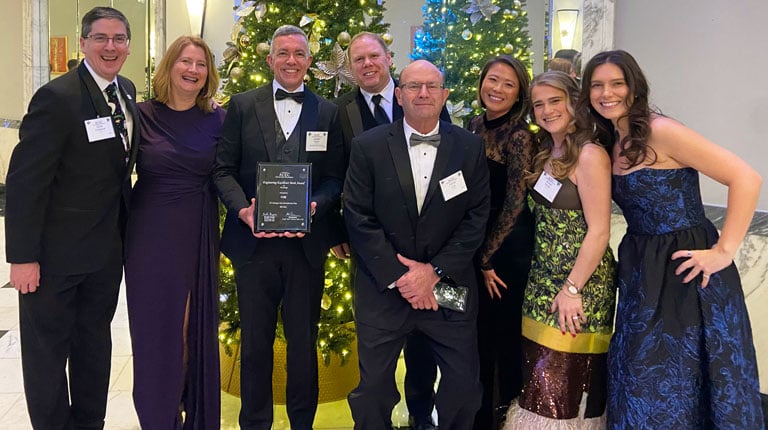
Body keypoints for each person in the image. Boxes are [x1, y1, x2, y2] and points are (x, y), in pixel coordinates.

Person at [577, 49, 763, 428]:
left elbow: (746, 177)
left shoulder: (661, 130)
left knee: (681, 380)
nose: (606, 93)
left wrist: (724, 250)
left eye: (616, 83)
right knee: (638, 377)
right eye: (597, 85)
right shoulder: (612, 138)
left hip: (687, 273)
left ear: (634, 87)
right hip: (643, 271)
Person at [4, 6, 138, 429]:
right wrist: (22, 258)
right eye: (101, 38)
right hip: (54, 261)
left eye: (118, 39)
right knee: (46, 360)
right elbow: (25, 184)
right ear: (83, 43)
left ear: (128, 46)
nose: (110, 47)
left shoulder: (128, 91)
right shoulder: (57, 98)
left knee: (94, 351)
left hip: (102, 257)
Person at [344, 59, 490, 429]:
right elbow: (357, 215)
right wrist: (402, 277)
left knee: (463, 387)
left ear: (444, 95)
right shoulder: (368, 147)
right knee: (373, 390)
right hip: (384, 289)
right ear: (399, 93)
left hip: (447, 289)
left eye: (431, 86)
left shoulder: (471, 148)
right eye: (413, 86)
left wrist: (434, 273)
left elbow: (476, 217)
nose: (422, 93)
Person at [213, 24, 345, 430]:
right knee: (255, 343)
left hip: (306, 248)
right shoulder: (240, 105)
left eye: (299, 53)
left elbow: (335, 177)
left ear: (310, 62)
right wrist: (243, 211)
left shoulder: (328, 111)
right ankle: (255, 422)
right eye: (283, 53)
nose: (291, 60)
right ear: (269, 60)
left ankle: (302, 423)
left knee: (303, 342)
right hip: (254, 247)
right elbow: (223, 171)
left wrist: (315, 206)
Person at [332, 31, 450, 429]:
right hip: (374, 254)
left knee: (424, 347)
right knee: (377, 352)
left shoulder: (421, 95)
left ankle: (421, 414)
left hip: (428, 251)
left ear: (387, 58)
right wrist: (337, 232)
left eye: (373, 56)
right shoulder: (340, 112)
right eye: (358, 59)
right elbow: (335, 175)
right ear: (350, 67)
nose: (366, 64)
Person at [502, 70, 616, 428]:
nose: (547, 110)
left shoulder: (590, 154)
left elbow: (599, 231)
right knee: (537, 381)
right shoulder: (546, 151)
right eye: (539, 104)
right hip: (541, 281)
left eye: (555, 101)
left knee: (562, 385)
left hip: (579, 285)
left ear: (573, 102)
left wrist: (572, 289)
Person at [124, 35, 225, 429]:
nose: (193, 70)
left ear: (208, 73)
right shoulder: (140, 115)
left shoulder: (219, 118)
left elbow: (231, 173)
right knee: (155, 332)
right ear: (170, 65)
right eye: (186, 61)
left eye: (201, 64)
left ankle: (194, 414)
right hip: (150, 234)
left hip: (198, 230)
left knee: (191, 329)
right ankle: (159, 417)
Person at [466, 55, 535, 429]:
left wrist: (487, 259)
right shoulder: (474, 125)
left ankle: (503, 418)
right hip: (478, 248)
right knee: (477, 339)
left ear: (519, 93)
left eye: (509, 84)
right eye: (493, 80)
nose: (498, 89)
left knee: (503, 341)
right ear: (481, 83)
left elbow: (514, 203)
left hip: (505, 253)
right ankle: (477, 418)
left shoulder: (520, 136)